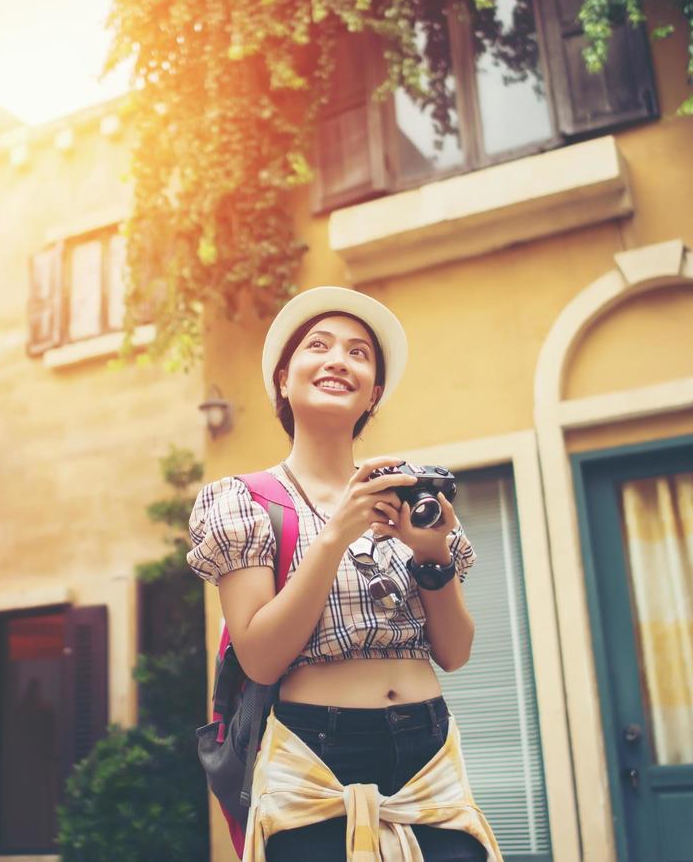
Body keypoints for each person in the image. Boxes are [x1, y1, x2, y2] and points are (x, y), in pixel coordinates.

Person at [188, 287, 501, 860]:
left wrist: (432, 555)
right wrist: (334, 535)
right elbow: (260, 656)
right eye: (319, 346)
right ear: (284, 379)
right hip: (314, 758)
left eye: (359, 354)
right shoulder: (246, 502)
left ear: (373, 393)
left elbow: (454, 652)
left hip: (429, 754)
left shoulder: (410, 498)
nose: (339, 360)